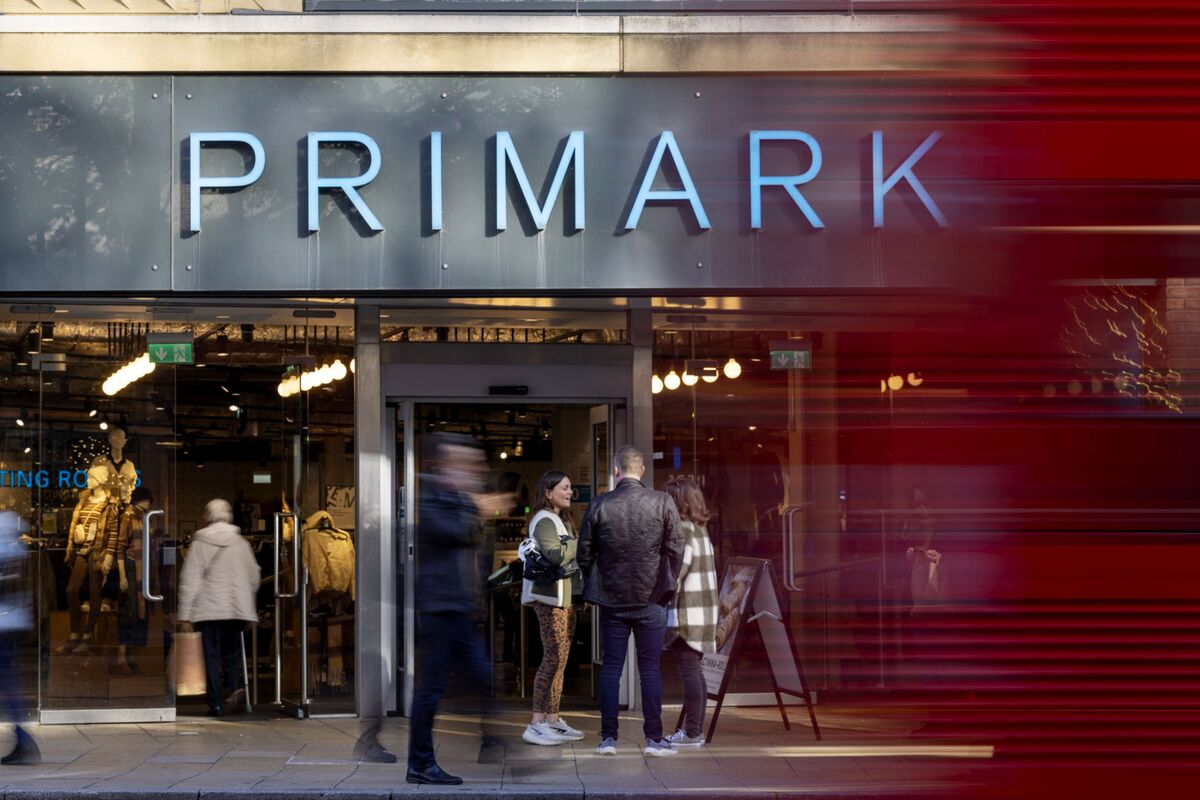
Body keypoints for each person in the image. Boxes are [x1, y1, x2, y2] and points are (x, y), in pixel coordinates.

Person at [407, 433, 513, 785]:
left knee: (483, 676)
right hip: (440, 608)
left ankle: (497, 745)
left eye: (473, 464)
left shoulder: (457, 499)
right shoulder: (430, 497)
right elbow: (456, 532)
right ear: (445, 465)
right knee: (431, 689)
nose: (471, 470)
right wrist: (480, 507)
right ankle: (420, 763)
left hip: (459, 607)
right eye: (464, 464)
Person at [577, 445, 684, 758]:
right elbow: (676, 548)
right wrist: (667, 580)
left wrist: (600, 579)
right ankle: (654, 738)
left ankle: (608, 739)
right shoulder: (662, 501)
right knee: (649, 669)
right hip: (652, 598)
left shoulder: (599, 504)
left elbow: (584, 553)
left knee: (612, 667)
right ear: (642, 471)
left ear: (616, 470)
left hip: (612, 599)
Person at [177, 499, 260, 718]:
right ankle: (232, 688)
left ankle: (215, 704)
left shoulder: (200, 543)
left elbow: (190, 579)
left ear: (209, 516)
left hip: (209, 610)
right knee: (232, 653)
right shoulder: (241, 543)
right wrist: (248, 602)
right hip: (235, 608)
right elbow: (253, 576)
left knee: (211, 657)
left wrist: (185, 613)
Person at [521, 470, 585, 746]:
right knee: (552, 659)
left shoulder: (560, 520)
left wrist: (570, 543)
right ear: (548, 493)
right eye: (564, 488)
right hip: (548, 600)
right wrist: (578, 542)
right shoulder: (544, 519)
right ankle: (536, 722)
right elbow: (556, 554)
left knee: (560, 661)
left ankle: (553, 720)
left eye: (570, 488)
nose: (570, 492)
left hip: (564, 600)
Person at [662, 477, 719, 749]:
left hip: (687, 614)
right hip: (704, 613)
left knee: (690, 673)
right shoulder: (700, 530)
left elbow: (675, 575)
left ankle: (692, 732)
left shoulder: (683, 531)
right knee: (695, 672)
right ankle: (694, 730)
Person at [0, 510, 39, 765]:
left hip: (4, 624)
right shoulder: (17, 546)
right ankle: (24, 741)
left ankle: (24, 741)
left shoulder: (4, 547)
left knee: (8, 682)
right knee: (8, 681)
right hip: (14, 622)